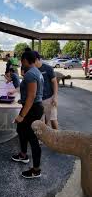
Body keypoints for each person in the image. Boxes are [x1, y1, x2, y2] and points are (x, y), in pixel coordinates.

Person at [12, 51, 44, 179]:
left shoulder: (30, 74)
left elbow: (32, 96)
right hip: (31, 106)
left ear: (25, 60)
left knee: (33, 138)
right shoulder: (36, 71)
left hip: (32, 109)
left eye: (22, 60)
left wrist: (22, 115)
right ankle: (23, 155)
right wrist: (23, 100)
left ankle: (36, 170)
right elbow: (31, 94)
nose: (21, 63)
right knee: (21, 130)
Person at [34, 51, 59, 130]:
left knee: (53, 120)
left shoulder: (48, 68)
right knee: (40, 122)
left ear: (38, 59)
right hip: (38, 100)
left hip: (49, 98)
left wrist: (55, 97)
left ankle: (57, 138)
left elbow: (55, 82)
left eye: (33, 61)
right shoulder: (32, 70)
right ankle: (41, 140)